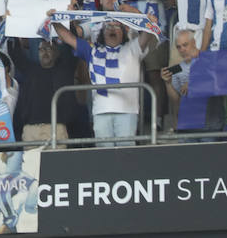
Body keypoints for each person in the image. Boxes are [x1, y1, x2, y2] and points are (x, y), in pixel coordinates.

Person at [52, 13, 156, 147]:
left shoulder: (133, 48)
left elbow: (147, 36)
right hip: (100, 111)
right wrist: (54, 21)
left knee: (126, 155)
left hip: (127, 111)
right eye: (108, 26)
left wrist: (150, 23)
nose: (112, 29)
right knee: (104, 156)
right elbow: (68, 38)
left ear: (123, 32)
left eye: (117, 27)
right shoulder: (92, 50)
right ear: (102, 32)